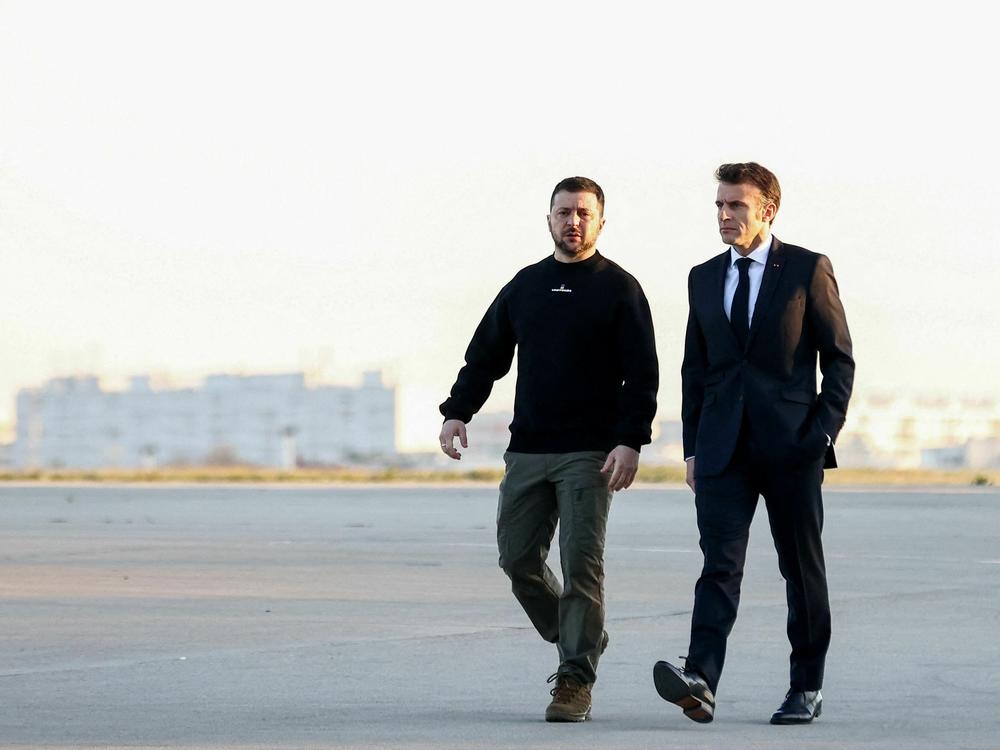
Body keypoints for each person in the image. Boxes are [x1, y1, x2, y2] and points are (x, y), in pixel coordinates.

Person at [439, 176, 658, 722]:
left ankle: (574, 681)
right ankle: (580, 635)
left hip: (591, 453)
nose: (573, 221)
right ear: (549, 219)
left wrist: (630, 440)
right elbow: (485, 357)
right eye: (564, 212)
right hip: (528, 449)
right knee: (516, 559)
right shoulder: (526, 285)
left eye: (584, 213)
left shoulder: (620, 289)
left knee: (582, 568)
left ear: (601, 221)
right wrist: (455, 412)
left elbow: (643, 375)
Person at [653, 162, 854, 725]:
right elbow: (696, 368)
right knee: (718, 566)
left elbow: (840, 359)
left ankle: (806, 687)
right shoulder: (702, 276)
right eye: (719, 204)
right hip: (721, 450)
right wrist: (692, 446)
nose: (724, 215)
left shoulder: (808, 270)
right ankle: (700, 680)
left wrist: (820, 435)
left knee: (801, 568)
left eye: (736, 205)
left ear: (767, 209)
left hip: (792, 447)